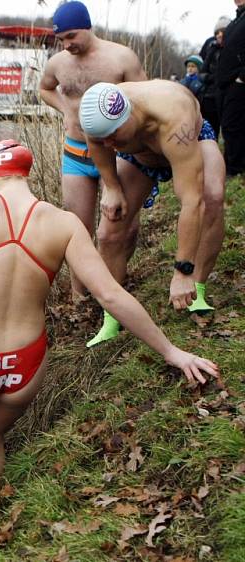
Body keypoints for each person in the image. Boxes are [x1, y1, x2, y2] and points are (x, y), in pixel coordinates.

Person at [0, 140, 218, 506]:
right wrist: (171, 351)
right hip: (26, 365)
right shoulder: (63, 224)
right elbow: (110, 295)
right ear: (25, 175)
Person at [78, 81, 226, 346]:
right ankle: (113, 316)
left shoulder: (171, 115)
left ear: (129, 114)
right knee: (109, 230)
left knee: (211, 197)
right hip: (141, 157)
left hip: (191, 140)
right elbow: (98, 143)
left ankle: (197, 288)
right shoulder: (98, 123)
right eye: (103, 139)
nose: (109, 144)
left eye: (113, 136)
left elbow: (192, 202)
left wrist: (182, 271)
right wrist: (111, 187)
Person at [39, 0, 147, 299]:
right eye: (61, 39)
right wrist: (65, 109)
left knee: (122, 224)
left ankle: (115, 283)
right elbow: (45, 88)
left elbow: (145, 98)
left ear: (87, 27)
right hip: (75, 152)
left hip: (118, 153)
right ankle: (80, 295)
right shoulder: (58, 63)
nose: (67, 44)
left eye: (72, 36)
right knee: (77, 227)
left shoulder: (121, 58)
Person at [216, 0, 245, 176]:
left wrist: (242, 77)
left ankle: (235, 168)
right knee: (228, 126)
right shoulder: (237, 19)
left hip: (239, 80)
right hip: (225, 82)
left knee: (232, 124)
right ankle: (232, 163)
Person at [199, 17, 230, 139]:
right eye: (217, 32)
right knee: (211, 130)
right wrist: (213, 77)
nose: (219, 35)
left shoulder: (232, 50)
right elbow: (202, 73)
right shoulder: (211, 48)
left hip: (226, 95)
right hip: (209, 95)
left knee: (229, 129)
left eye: (223, 31)